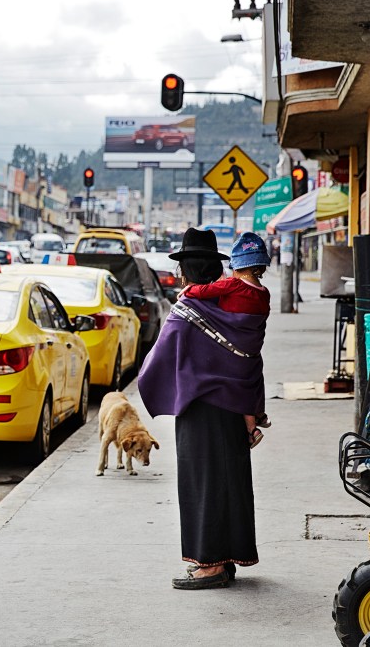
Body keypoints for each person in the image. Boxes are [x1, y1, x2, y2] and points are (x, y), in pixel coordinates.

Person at [138, 227, 267, 591]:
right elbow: (250, 359)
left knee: (204, 484)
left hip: (200, 408)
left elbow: (161, 358)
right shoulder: (238, 304)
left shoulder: (188, 308)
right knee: (230, 481)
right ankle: (227, 560)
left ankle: (209, 566)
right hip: (235, 406)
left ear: (186, 272)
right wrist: (252, 411)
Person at [181, 231, 272, 448]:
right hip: (252, 348)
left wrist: (188, 291)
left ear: (238, 266)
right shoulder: (264, 292)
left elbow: (204, 291)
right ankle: (259, 413)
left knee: (236, 385)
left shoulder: (233, 285)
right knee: (253, 378)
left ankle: (251, 428)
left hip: (234, 348)